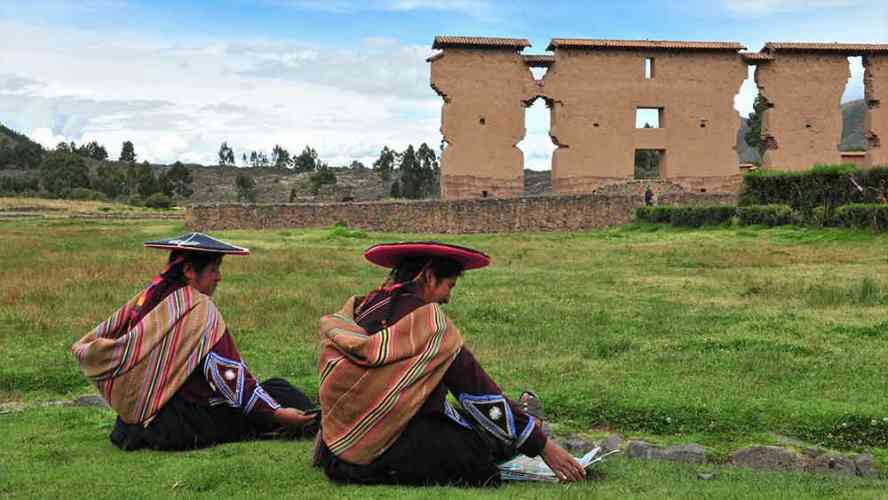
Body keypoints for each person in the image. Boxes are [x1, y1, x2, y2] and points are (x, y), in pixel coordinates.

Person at [314, 242, 584, 486]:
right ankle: (528, 424)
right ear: (429, 276)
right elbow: (478, 394)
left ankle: (523, 422)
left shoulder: (361, 308)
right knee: (476, 454)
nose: (448, 297)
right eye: (449, 286)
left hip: (339, 457)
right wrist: (543, 447)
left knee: (458, 417)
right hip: (393, 453)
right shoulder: (429, 324)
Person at [72, 232, 317, 451]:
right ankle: (316, 425)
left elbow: (112, 339)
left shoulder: (150, 299)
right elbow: (226, 375)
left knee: (267, 393)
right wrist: (275, 412)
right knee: (278, 391)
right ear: (190, 271)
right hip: (178, 426)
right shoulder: (198, 309)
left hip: (131, 426)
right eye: (213, 270)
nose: (218, 278)